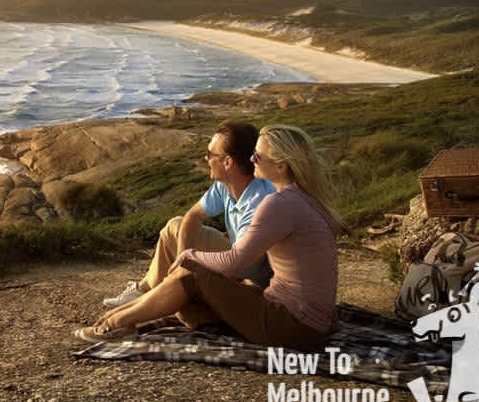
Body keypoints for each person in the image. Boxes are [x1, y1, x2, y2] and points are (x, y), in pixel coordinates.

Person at [77, 124, 345, 351]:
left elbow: (234, 262)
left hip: (294, 327)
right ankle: (120, 318)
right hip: (305, 323)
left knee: (192, 274)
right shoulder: (306, 197)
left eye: (258, 157)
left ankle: (115, 324)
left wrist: (188, 255)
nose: (252, 162)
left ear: (282, 166)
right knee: (188, 293)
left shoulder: (279, 202)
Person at [101, 120, 274, 330]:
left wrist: (187, 275)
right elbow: (192, 216)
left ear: (228, 163)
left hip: (252, 279)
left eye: (211, 154)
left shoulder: (259, 201)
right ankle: (146, 289)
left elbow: (239, 265)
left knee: (186, 310)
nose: (206, 158)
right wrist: (183, 259)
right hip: (237, 258)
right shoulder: (225, 185)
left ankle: (159, 296)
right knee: (176, 225)